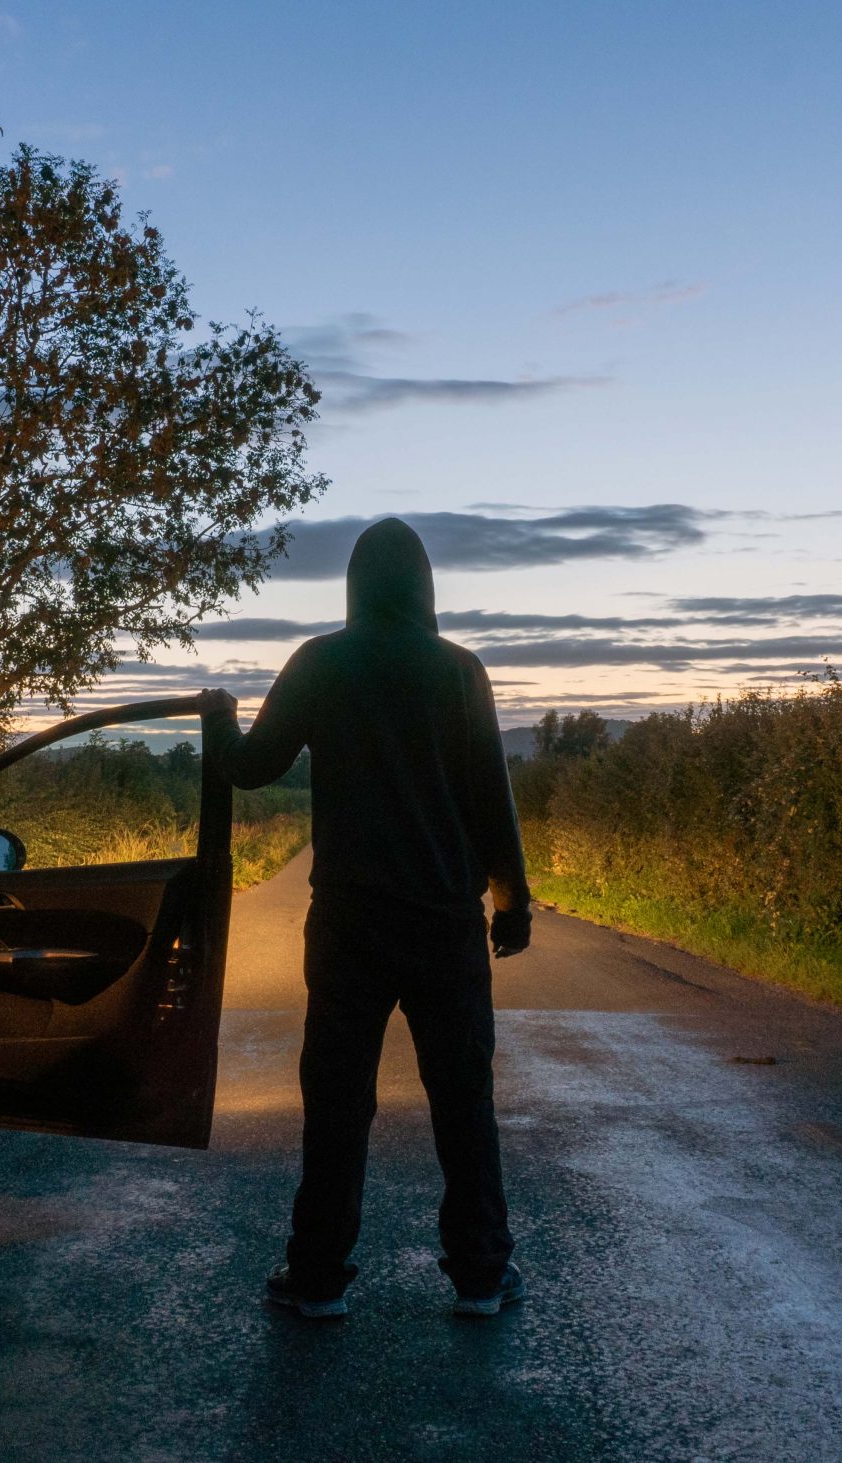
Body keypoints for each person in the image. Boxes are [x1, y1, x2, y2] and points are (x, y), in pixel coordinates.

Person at [213, 516, 533, 1319]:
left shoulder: (322, 662)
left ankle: (317, 1277)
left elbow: (251, 770)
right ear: (426, 587)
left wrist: (219, 715)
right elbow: (491, 801)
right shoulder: (463, 672)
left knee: (337, 1102)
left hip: (350, 927)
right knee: (464, 1102)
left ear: (353, 586)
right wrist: (512, 901)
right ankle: (481, 1276)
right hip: (444, 925)